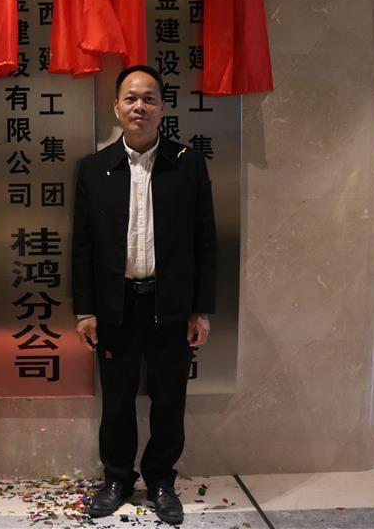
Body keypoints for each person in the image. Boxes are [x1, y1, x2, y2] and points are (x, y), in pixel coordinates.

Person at [72, 65, 216, 525]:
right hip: (116, 305)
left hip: (170, 304)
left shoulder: (187, 163)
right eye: (131, 98)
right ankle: (117, 478)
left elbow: (205, 240)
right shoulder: (94, 169)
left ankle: (160, 480)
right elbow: (83, 246)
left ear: (162, 107)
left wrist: (201, 309)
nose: (140, 106)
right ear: (116, 107)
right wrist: (85, 310)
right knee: (116, 398)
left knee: (169, 398)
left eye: (149, 98)